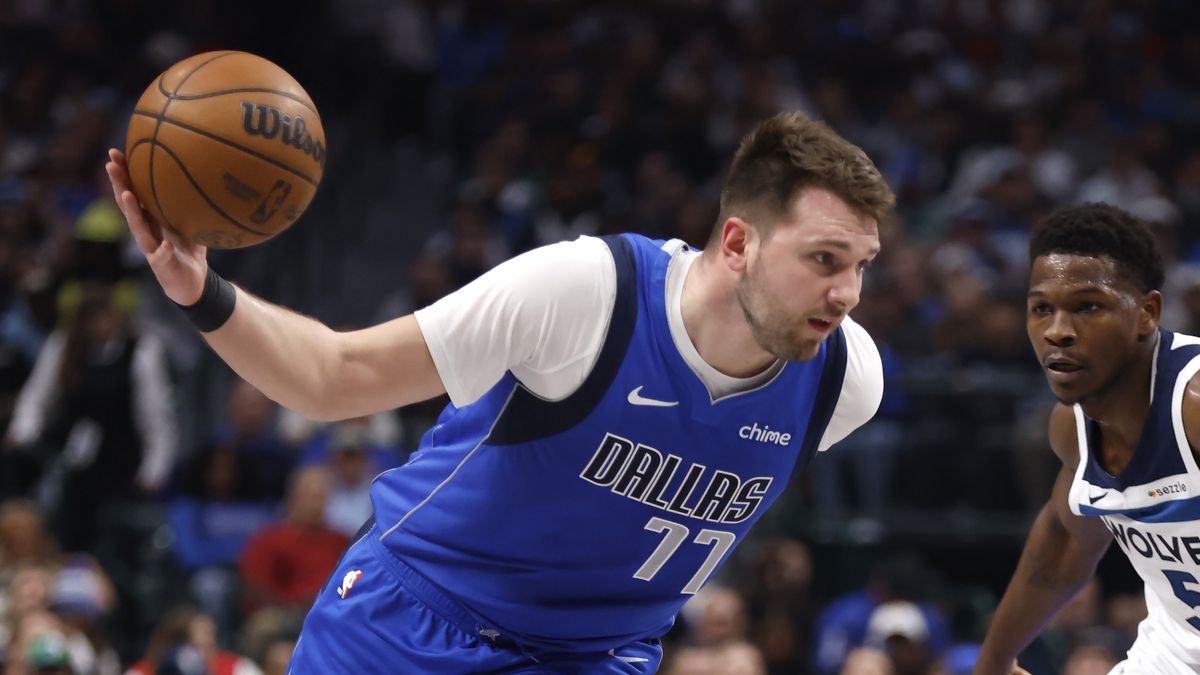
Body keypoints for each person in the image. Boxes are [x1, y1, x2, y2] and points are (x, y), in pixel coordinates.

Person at [104, 110, 893, 672]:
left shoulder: (846, 381)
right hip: (408, 625)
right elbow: (333, 378)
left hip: (594, 657)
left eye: (863, 265)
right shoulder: (586, 292)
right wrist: (200, 292)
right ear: (738, 242)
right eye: (825, 259)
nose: (849, 291)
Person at [976, 204, 1200, 673]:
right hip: (1175, 652)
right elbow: (1063, 543)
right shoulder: (1071, 427)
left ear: (1146, 313)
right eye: (1042, 309)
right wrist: (994, 661)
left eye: (1087, 306)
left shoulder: (1193, 404)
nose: (1057, 332)